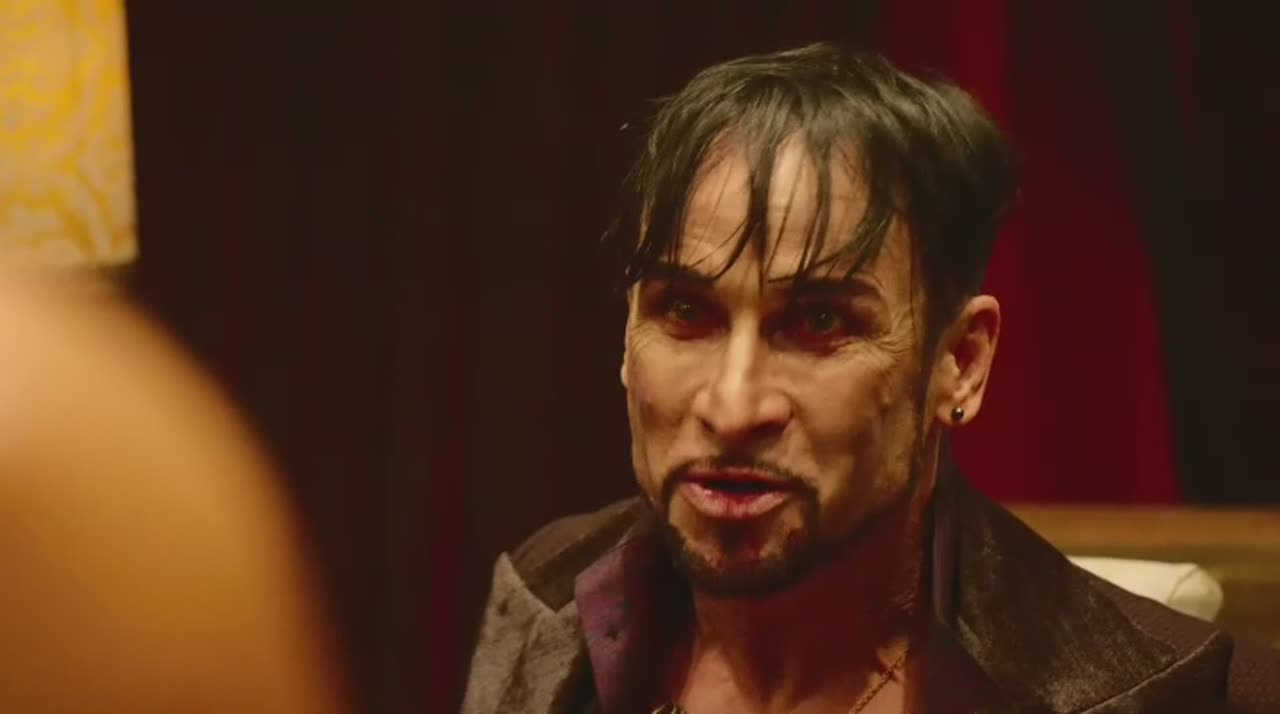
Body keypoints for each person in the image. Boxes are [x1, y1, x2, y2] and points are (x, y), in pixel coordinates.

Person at [461, 43, 1279, 714]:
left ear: (960, 363)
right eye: (685, 312)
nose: (734, 405)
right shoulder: (551, 598)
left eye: (819, 323)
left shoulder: (1183, 695)